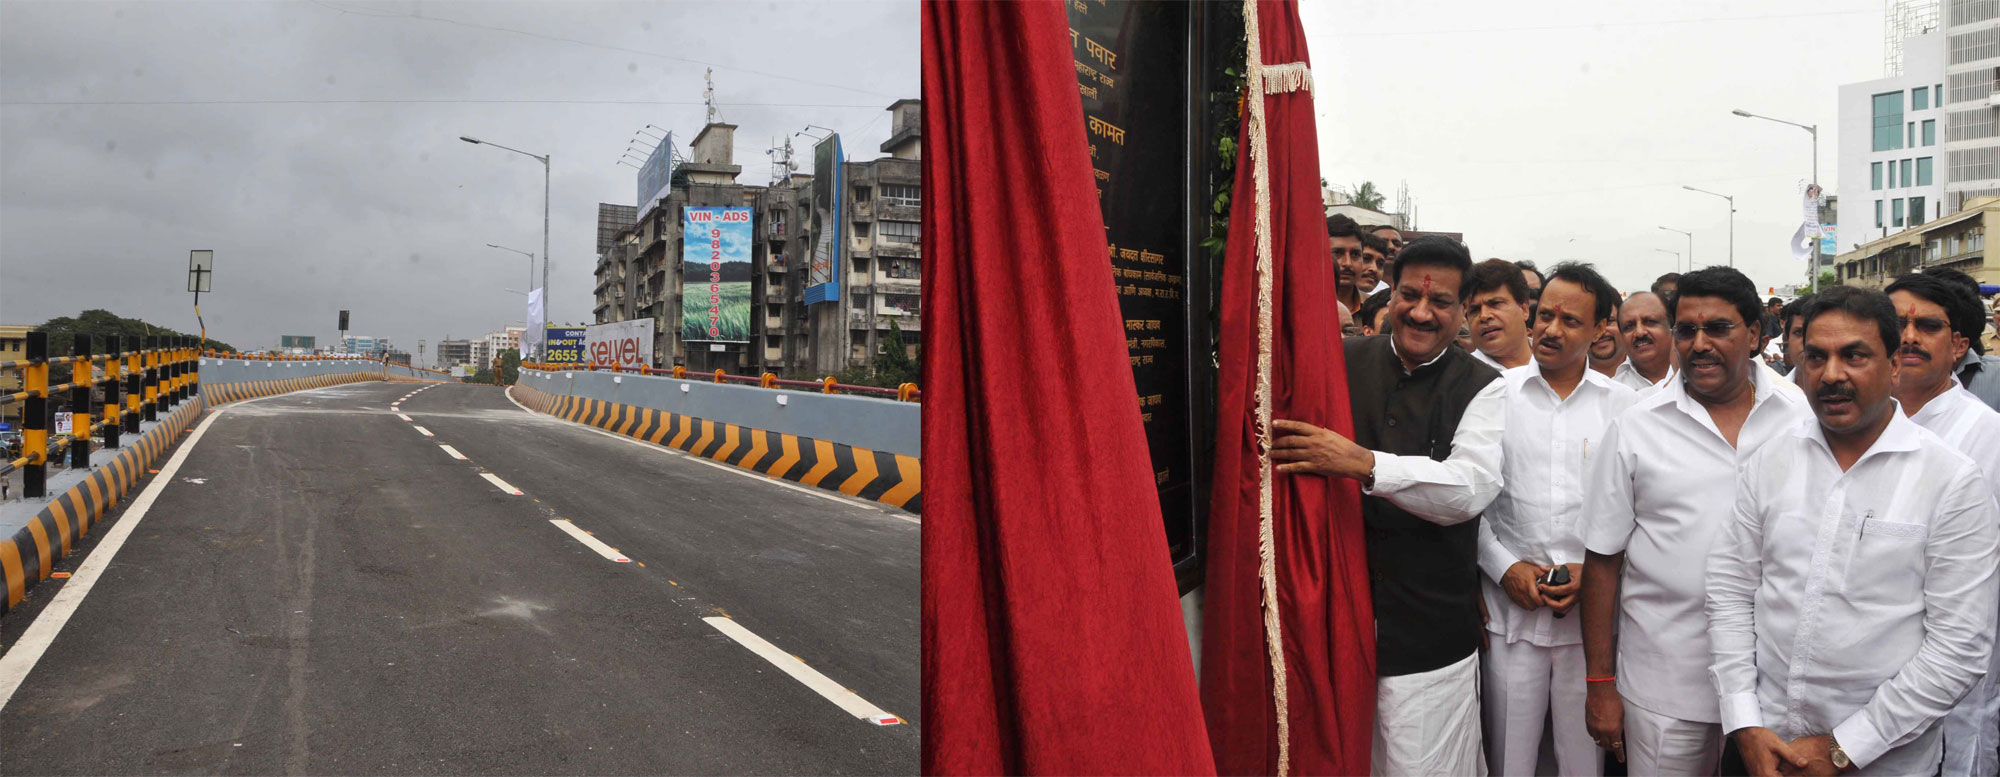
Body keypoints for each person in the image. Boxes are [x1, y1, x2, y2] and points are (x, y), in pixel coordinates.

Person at [1708, 286, 2000, 777]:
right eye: (1816, 357)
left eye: (1854, 356)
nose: (1832, 374)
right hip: (1763, 748)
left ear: (1893, 365)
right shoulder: (1771, 460)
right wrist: (1743, 722)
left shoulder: (1950, 480)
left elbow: (1959, 647)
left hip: (1884, 760)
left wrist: (1845, 747)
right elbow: (1731, 591)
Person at [1269, 236, 1502, 776]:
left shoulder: (1484, 388)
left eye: (1440, 302)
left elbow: (1468, 488)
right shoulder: (1340, 361)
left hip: (1427, 636)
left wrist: (1363, 464)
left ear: (1463, 309)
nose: (1420, 313)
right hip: (1331, 624)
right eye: (1408, 296)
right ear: (1389, 293)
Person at [1579, 266, 1813, 774]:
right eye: (1687, 330)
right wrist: (1599, 684)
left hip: (1779, 686)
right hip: (1666, 683)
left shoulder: (1803, 418)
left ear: (1754, 334)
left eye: (1719, 329)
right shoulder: (1636, 426)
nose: (1699, 343)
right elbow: (1601, 559)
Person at [1476, 263, 1639, 777]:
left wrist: (1595, 574)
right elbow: (1469, 498)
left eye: (1570, 321)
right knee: (1509, 759)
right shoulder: (1492, 394)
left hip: (1592, 629)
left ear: (1599, 331)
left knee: (1582, 762)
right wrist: (1503, 568)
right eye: (1545, 315)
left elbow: (1645, 510)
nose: (1551, 329)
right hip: (1510, 617)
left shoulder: (1628, 408)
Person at [1885, 273, 2000, 776]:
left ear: (1958, 346)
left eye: (1927, 326)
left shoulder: (1988, 437)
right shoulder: (1835, 423)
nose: (1908, 337)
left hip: (1948, 669)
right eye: (1895, 324)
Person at [1923, 268, 2000, 410]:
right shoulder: (1885, 379)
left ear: (1959, 343)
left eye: (1929, 325)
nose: (1909, 336)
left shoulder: (1995, 377)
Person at [1464, 258, 1535, 370]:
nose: (1484, 316)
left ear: (1524, 309)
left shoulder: (1562, 364)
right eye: (1475, 310)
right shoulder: (1459, 378)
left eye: (1495, 304)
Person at [1611, 291, 1675, 389]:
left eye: (1649, 322)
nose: (1640, 333)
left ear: (1671, 326)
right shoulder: (1614, 390)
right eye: (1629, 326)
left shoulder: (1695, 375)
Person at [1330, 214, 1375, 317]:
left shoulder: (1375, 309)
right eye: (1338, 253)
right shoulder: (1303, 306)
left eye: (1355, 254)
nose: (1348, 263)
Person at [1586, 297, 1627, 382]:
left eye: (1608, 322)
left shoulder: (1653, 370)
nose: (1601, 332)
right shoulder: (1562, 381)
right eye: (1592, 325)